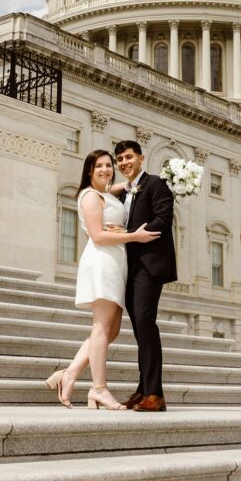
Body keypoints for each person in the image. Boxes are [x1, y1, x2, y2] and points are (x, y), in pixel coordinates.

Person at [45, 149, 160, 411]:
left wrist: (164, 178)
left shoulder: (108, 193)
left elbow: (131, 184)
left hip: (115, 263)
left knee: (111, 330)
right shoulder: (90, 196)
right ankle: (99, 389)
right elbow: (97, 235)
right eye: (99, 166)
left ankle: (69, 374)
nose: (106, 169)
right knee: (101, 327)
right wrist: (133, 236)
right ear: (89, 170)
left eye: (109, 165)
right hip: (101, 262)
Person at [114, 140, 177, 412]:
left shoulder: (156, 184)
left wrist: (131, 235)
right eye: (120, 160)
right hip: (128, 267)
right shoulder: (123, 192)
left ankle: (155, 394)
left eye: (129, 157)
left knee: (145, 323)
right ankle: (143, 390)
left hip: (149, 266)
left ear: (141, 157)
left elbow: (163, 221)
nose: (124, 163)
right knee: (140, 329)